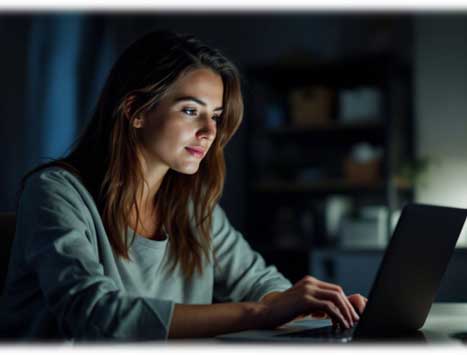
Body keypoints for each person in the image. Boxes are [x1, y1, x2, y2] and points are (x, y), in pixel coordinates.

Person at [0, 30, 366, 341]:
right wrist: (261, 313)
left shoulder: (193, 207)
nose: (210, 132)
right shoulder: (55, 192)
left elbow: (259, 283)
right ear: (136, 111)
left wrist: (320, 306)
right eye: (191, 111)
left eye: (216, 116)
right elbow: (96, 315)